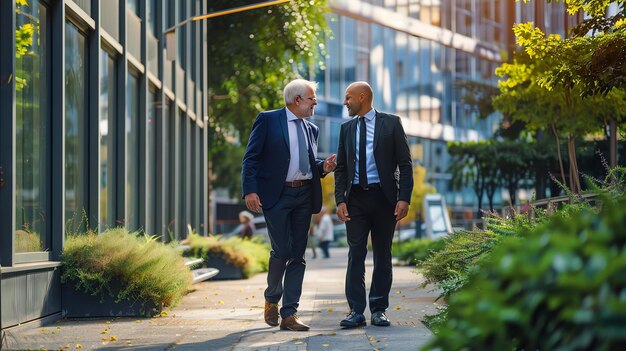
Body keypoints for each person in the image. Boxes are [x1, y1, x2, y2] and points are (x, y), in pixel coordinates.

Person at [241, 79, 337, 331]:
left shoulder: (312, 129)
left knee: (298, 255)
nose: (315, 101)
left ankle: (289, 314)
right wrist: (250, 190)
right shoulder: (268, 120)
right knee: (281, 251)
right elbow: (251, 158)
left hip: (304, 195)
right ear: (297, 100)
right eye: (312, 97)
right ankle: (272, 297)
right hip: (277, 195)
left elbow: (307, 163)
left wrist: (323, 166)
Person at [334, 81, 413, 328]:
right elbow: (341, 169)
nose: (345, 102)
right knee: (355, 253)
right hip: (355, 199)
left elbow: (406, 164)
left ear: (362, 96)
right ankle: (356, 311)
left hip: (384, 199)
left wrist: (404, 198)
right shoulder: (346, 129)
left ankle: (379, 309)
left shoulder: (390, 123)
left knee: (382, 254)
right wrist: (340, 200)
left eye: (348, 97)